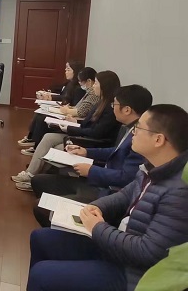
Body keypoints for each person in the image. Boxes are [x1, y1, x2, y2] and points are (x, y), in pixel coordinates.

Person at [27, 104, 188, 291]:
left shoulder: (179, 192)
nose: (133, 132)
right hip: (117, 248)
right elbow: (125, 195)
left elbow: (147, 252)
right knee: (40, 238)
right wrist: (97, 207)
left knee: (41, 275)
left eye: (139, 128)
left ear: (158, 139)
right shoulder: (151, 167)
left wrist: (98, 228)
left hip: (135, 275)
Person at [31, 85, 152, 226]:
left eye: (114, 104)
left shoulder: (140, 138)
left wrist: (91, 171)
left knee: (42, 207)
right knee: (38, 181)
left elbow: (126, 178)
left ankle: (64, 228)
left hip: (108, 191)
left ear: (127, 110)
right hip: (99, 180)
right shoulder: (128, 128)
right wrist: (86, 151)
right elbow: (116, 151)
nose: (112, 108)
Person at [12, 70, 121, 191]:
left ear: (105, 87)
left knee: (57, 147)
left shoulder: (110, 109)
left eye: (96, 83)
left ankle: (36, 180)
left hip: (90, 142)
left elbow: (96, 133)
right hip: (82, 135)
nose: (94, 86)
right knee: (48, 137)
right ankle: (30, 174)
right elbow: (87, 124)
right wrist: (75, 123)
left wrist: (70, 128)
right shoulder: (100, 102)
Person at [19, 66, 97, 155]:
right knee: (40, 114)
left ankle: (36, 146)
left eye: (96, 83)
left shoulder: (92, 95)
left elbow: (81, 112)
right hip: (71, 116)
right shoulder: (85, 91)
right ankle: (32, 140)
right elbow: (78, 107)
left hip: (75, 120)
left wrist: (67, 110)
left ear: (89, 81)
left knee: (43, 119)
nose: (79, 83)